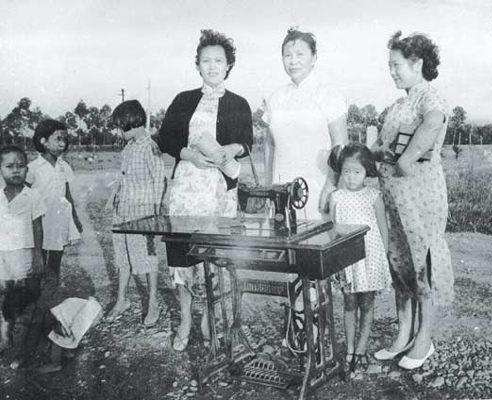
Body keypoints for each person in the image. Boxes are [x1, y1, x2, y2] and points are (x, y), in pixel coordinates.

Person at [158, 29, 253, 352]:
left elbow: (247, 141)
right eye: (206, 61)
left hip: (219, 190)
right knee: (181, 254)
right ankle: (185, 318)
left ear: (229, 66)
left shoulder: (239, 103)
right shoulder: (183, 100)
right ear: (197, 65)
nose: (212, 66)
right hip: (186, 188)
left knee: (216, 256)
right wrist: (189, 155)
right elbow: (166, 138)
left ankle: (210, 319)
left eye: (218, 61)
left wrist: (231, 149)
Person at [371, 31, 454, 370]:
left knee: (423, 264)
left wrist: (408, 156)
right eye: (389, 65)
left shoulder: (428, 97)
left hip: (421, 198)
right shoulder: (398, 105)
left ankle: (424, 339)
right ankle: (403, 334)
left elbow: (434, 122)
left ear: (417, 63)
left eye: (397, 65)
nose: (391, 71)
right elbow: (379, 146)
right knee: (400, 264)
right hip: (395, 199)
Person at [263, 27, 348, 221]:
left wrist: (330, 187)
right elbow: (269, 144)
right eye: (287, 55)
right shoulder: (276, 97)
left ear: (314, 57)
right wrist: (268, 186)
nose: (293, 61)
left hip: (319, 187)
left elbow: (341, 146)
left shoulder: (328, 94)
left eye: (300, 54)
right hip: (280, 188)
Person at [328, 143, 392, 372]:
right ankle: (350, 349)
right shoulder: (336, 197)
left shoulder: (374, 197)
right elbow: (333, 231)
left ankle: (361, 348)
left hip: (370, 259)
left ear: (367, 171)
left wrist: (383, 258)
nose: (351, 177)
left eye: (357, 171)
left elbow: (383, 229)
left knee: (366, 303)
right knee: (349, 303)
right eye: (346, 171)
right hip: (347, 261)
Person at [107, 100, 167, 328]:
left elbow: (159, 182)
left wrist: (155, 215)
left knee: (148, 260)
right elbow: (123, 179)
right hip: (122, 212)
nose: (118, 132)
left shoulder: (150, 147)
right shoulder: (129, 147)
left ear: (130, 122)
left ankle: (152, 304)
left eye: (120, 126)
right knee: (122, 257)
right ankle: (121, 300)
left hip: (142, 215)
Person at [0, 146, 44, 367]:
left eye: (21, 166)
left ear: (27, 169)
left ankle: (22, 351)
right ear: (1, 169)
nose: (16, 170)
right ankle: (5, 338)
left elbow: (37, 227)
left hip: (24, 254)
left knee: (25, 303)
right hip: (2, 255)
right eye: (9, 166)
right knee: (6, 300)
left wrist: (37, 256)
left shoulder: (32, 195)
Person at [27, 119, 82, 286]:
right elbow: (24, 196)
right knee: (38, 260)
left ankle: (50, 293)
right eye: (58, 139)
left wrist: (75, 219)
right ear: (43, 141)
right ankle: (34, 295)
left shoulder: (64, 166)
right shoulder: (33, 168)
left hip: (59, 221)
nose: (62, 143)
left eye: (65, 139)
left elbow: (67, 195)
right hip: (40, 223)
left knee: (55, 261)